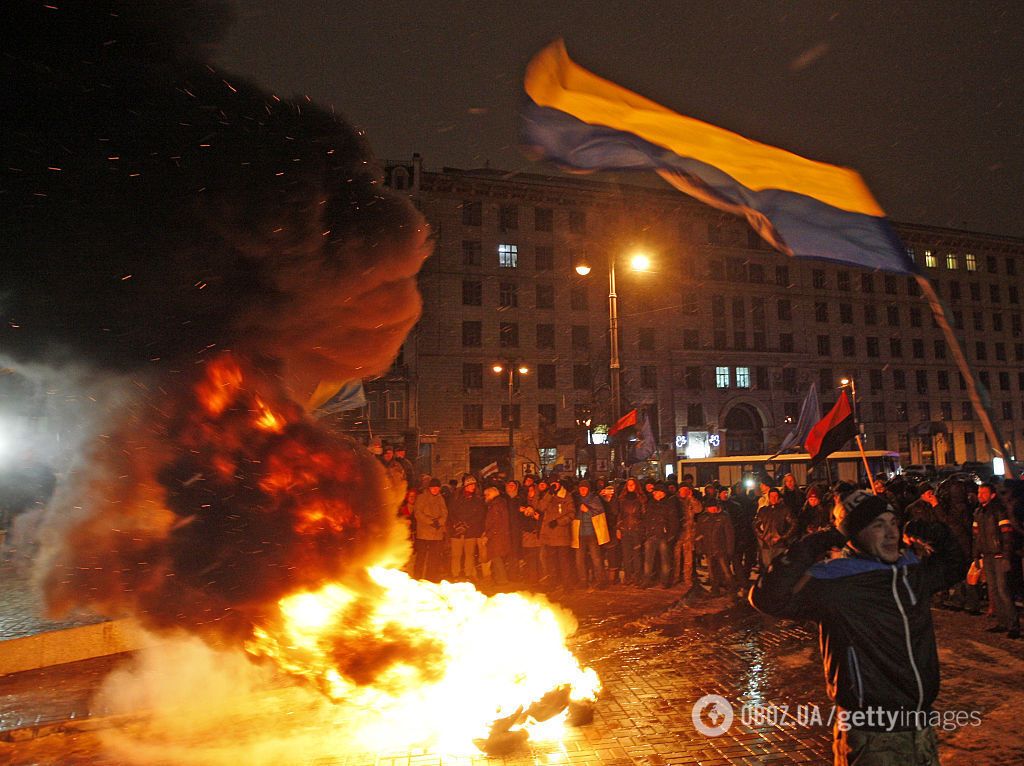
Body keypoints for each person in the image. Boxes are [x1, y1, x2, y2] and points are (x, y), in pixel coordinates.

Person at [750, 489, 967, 766]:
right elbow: (767, 598)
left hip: (920, 727)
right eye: (878, 525)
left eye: (893, 523)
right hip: (872, 734)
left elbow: (954, 566)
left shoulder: (909, 573)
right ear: (854, 534)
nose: (890, 533)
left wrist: (936, 534)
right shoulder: (835, 583)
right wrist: (810, 546)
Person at [973, 482, 1020, 638]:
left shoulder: (999, 511)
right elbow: (977, 536)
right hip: (987, 555)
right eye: (979, 492)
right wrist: (976, 555)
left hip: (999, 555)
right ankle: (1002, 622)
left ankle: (1014, 625)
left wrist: (1006, 555)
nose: (980, 495)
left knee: (1003, 590)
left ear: (992, 495)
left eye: (984, 493)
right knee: (993, 590)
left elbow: (1007, 534)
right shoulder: (978, 512)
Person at [695, 488, 735, 596]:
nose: (712, 509)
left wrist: (730, 549)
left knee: (726, 570)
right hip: (708, 549)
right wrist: (699, 548)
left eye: (713, 507)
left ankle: (731, 588)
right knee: (712, 572)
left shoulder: (723, 517)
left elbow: (729, 535)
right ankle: (715, 589)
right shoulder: (703, 518)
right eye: (710, 508)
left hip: (721, 548)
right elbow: (699, 534)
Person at [538, 477, 576, 590]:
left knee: (564, 561)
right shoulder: (548, 495)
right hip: (549, 536)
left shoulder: (567, 496)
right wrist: (549, 494)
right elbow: (541, 507)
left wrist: (559, 522)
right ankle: (553, 583)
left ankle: (567, 584)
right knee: (551, 561)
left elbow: (571, 513)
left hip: (562, 535)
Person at [447, 475, 486, 581]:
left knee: (470, 554)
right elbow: (451, 512)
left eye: (474, 485)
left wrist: (468, 524)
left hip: (471, 531)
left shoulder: (477, 500)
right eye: (471, 485)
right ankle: (455, 574)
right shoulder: (455, 498)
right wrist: (457, 524)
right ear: (465, 486)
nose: (473, 487)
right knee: (456, 554)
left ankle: (468, 574)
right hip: (457, 531)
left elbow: (480, 515)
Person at [641, 482, 679, 589]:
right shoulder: (650, 504)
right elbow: (646, 519)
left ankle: (665, 581)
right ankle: (646, 580)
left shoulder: (669, 505)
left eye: (657, 492)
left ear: (662, 493)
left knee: (664, 560)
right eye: (654, 492)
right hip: (651, 535)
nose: (655, 494)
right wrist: (647, 532)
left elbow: (674, 522)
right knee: (648, 560)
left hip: (663, 536)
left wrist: (670, 536)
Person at [572, 480, 609, 588]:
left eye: (584, 488)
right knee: (579, 559)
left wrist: (588, 510)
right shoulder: (576, 499)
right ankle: (583, 580)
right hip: (579, 533)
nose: (582, 490)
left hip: (592, 533)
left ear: (588, 489)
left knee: (596, 558)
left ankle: (600, 581)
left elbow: (600, 512)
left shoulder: (594, 499)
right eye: (581, 488)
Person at [412, 478, 447, 581]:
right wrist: (431, 522)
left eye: (437, 488)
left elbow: (445, 512)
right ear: (429, 488)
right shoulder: (422, 498)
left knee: (434, 558)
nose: (435, 490)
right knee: (421, 557)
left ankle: (431, 578)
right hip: (424, 533)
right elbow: (418, 513)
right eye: (433, 488)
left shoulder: (441, 499)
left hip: (436, 534)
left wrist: (439, 522)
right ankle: (418, 577)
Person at [753, 488, 793, 570]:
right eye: (771, 496)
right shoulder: (763, 510)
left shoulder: (785, 510)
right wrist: (763, 536)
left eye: (775, 496)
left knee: (779, 569)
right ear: (769, 497)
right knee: (767, 569)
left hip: (780, 545)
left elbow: (794, 524)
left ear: (778, 497)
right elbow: (755, 525)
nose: (773, 498)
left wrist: (783, 536)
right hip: (766, 545)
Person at [616, 478, 646, 585]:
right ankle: (628, 576)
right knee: (626, 554)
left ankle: (637, 577)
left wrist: (642, 529)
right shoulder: (622, 500)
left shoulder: (641, 500)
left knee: (637, 554)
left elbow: (644, 515)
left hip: (636, 530)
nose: (631, 486)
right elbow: (620, 515)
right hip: (625, 529)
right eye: (629, 485)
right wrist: (619, 528)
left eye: (632, 484)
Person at [673, 483, 702, 593]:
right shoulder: (675, 501)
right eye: (682, 490)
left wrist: (691, 498)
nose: (684, 492)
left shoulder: (691, 500)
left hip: (689, 533)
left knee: (688, 557)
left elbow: (698, 509)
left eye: (686, 490)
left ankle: (687, 578)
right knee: (676, 556)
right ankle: (676, 577)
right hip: (677, 532)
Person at [482, 483, 512, 586]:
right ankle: (500, 579)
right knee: (497, 558)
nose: (485, 497)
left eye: (486, 495)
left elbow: (495, 523)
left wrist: (488, 535)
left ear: (491, 494)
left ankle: (502, 579)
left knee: (496, 557)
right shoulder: (500, 504)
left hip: (497, 536)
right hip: (500, 535)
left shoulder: (495, 506)